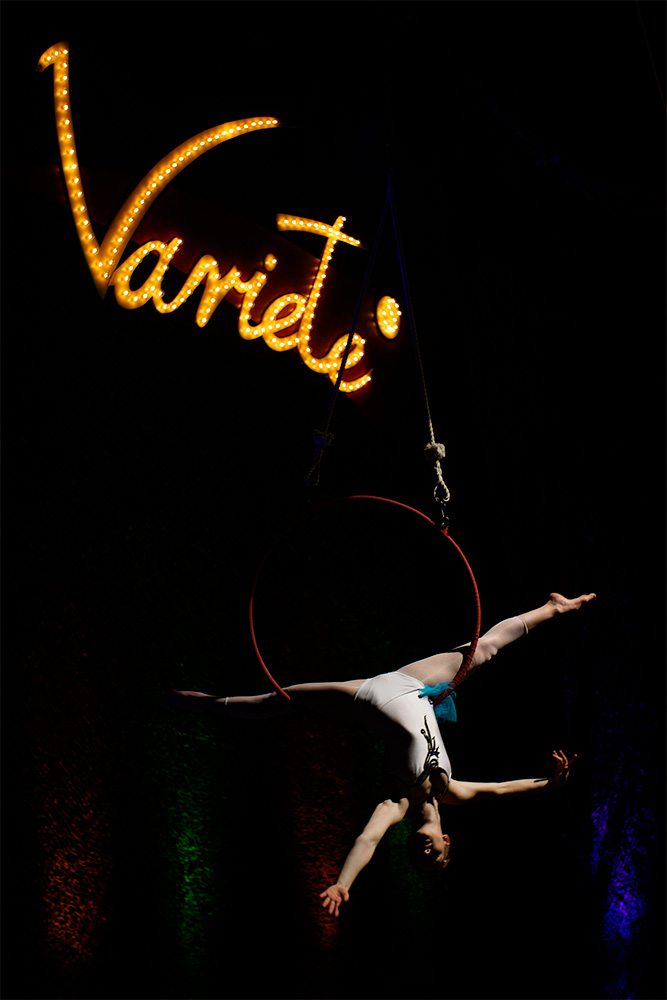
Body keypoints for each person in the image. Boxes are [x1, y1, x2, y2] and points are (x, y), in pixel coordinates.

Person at [170, 590, 596, 917]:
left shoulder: (397, 802)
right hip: (413, 685)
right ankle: (553, 608)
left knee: (281, 700)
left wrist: (343, 883)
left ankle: (206, 704)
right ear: (446, 842)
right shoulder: (453, 792)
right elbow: (502, 789)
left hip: (371, 697)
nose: (423, 852)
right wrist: (551, 783)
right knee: (482, 649)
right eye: (434, 856)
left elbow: (368, 838)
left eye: (418, 858)